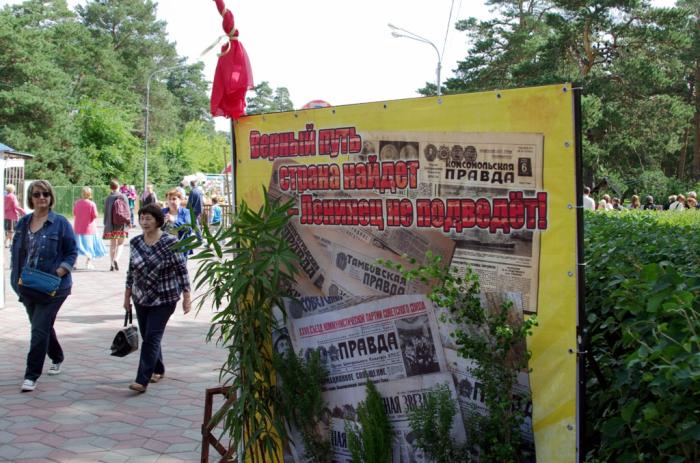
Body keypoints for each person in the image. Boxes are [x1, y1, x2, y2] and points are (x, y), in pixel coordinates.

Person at [10, 180, 77, 392]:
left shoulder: (60, 223)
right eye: (37, 194)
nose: (42, 198)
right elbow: (17, 253)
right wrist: (16, 281)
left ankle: (31, 375)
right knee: (41, 326)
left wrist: (59, 272)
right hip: (28, 285)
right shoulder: (23, 223)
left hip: (54, 287)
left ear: (51, 197)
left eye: (46, 194)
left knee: (39, 329)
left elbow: (72, 252)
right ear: (31, 197)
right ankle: (57, 356)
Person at [123, 204, 191, 393]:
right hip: (141, 297)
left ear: (158, 220)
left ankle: (141, 379)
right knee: (148, 335)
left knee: (152, 337)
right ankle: (158, 368)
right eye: (142, 218)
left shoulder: (170, 242)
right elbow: (131, 271)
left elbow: (181, 270)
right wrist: (127, 297)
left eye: (149, 219)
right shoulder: (136, 242)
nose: (144, 222)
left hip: (164, 298)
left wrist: (187, 296)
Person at [73, 187, 107, 269]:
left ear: (82, 193)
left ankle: (75, 263)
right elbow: (95, 215)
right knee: (90, 247)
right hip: (89, 228)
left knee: (76, 246)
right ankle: (88, 263)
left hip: (78, 228)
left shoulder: (77, 203)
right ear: (90, 194)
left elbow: (74, 213)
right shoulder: (92, 204)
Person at [104, 180, 129, 271]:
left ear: (110, 187)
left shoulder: (108, 198)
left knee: (112, 244)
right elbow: (127, 212)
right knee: (121, 243)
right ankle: (116, 259)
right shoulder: (123, 196)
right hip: (121, 224)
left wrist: (105, 223)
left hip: (111, 225)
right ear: (118, 186)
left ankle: (111, 264)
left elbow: (106, 212)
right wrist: (129, 223)